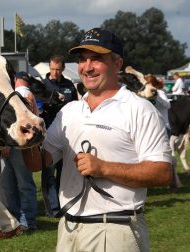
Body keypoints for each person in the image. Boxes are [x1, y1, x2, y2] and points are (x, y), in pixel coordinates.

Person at [24, 28, 172, 251]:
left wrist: (104, 168)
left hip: (115, 230)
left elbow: (162, 173)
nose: (87, 67)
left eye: (97, 59)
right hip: (69, 229)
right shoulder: (70, 111)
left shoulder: (139, 109)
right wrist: (28, 130)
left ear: (117, 63)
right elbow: (37, 163)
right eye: (82, 60)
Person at [0, 71, 38, 231]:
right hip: (19, 145)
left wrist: (6, 145)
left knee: (16, 184)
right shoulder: (28, 94)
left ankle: (24, 220)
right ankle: (22, 220)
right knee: (20, 184)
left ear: (14, 80)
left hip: (15, 145)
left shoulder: (19, 94)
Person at [42, 55, 78, 216]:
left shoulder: (69, 85)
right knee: (49, 173)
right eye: (52, 69)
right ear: (49, 68)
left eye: (58, 69)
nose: (55, 72)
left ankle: (65, 204)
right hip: (48, 135)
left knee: (64, 173)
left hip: (67, 136)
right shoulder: (42, 86)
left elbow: (75, 107)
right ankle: (53, 208)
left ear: (63, 69)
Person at [145, 75, 182, 191]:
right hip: (149, 128)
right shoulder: (145, 94)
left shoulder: (160, 93)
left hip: (163, 128)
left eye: (149, 83)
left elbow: (168, 105)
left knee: (167, 155)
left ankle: (173, 182)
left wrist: (157, 97)